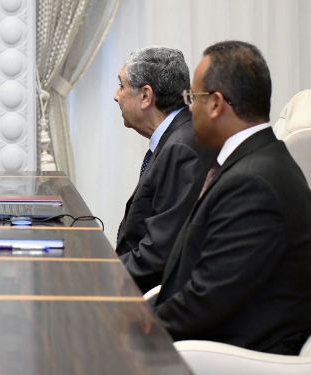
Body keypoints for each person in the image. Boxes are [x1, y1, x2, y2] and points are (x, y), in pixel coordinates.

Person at [153, 40, 311, 355]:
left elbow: (207, 300)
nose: (189, 109)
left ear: (215, 103)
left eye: (192, 98)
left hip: (230, 355)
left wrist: (134, 328)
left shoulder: (254, 183)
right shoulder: (256, 162)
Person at [112, 46, 216, 292]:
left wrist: (102, 275)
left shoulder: (182, 149)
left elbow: (159, 255)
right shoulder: (177, 136)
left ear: (146, 96)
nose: (116, 96)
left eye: (121, 86)